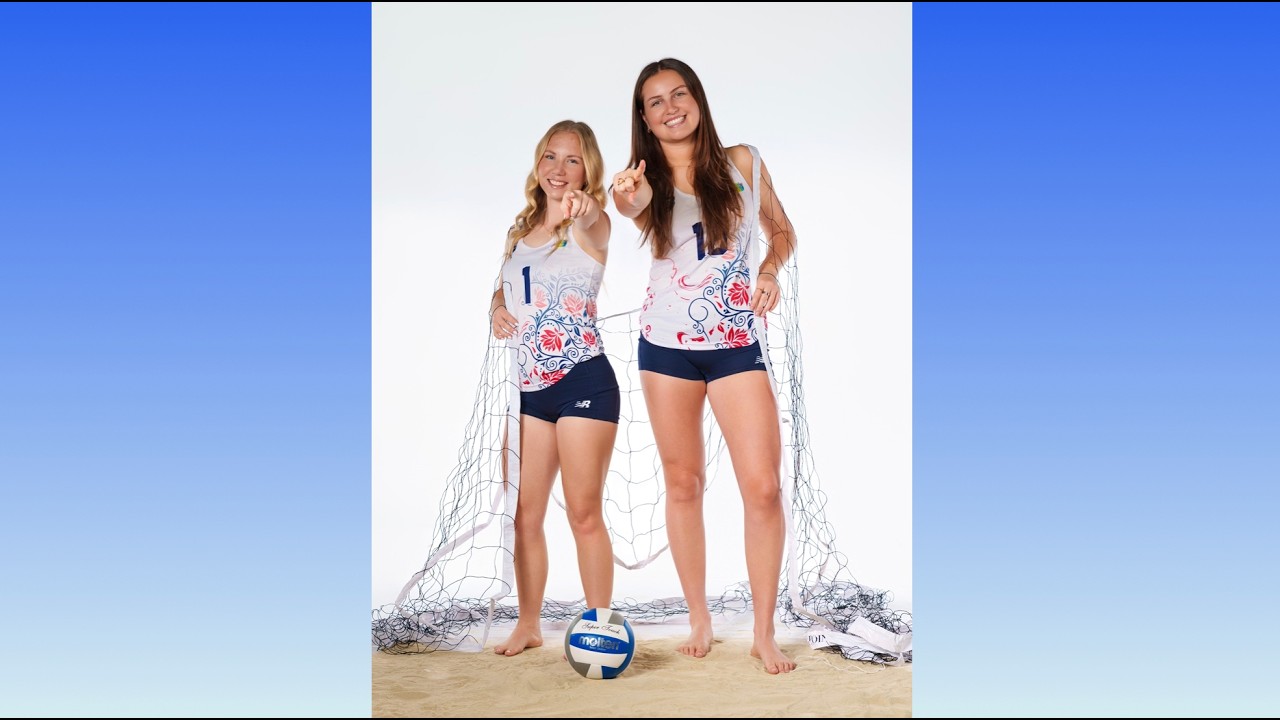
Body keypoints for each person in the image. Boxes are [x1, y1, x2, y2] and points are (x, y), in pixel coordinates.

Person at [611, 59, 798, 674]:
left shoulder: (742, 161)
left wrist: (768, 271)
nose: (670, 107)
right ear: (644, 119)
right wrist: (628, 202)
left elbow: (784, 233)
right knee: (683, 483)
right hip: (664, 348)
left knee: (763, 488)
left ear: (697, 99)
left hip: (733, 343)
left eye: (679, 94)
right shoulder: (643, 182)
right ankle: (699, 617)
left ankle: (764, 632)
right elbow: (637, 216)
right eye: (655, 102)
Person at [488, 120, 618, 656]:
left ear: (587, 170)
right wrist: (496, 307)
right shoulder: (520, 232)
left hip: (583, 380)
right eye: (550, 157)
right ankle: (529, 624)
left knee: (584, 511)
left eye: (572, 160)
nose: (558, 170)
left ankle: (602, 627)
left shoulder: (592, 223)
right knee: (525, 513)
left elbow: (595, 223)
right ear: (537, 164)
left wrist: (585, 211)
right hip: (530, 392)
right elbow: (502, 285)